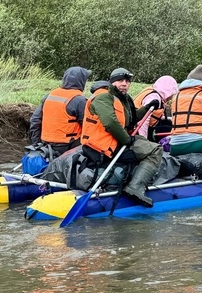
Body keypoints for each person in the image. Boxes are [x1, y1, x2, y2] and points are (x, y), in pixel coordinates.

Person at [78, 70, 165, 208]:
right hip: (103, 147)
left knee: (147, 144)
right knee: (155, 150)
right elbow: (110, 122)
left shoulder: (124, 98)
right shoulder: (103, 97)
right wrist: (127, 140)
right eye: (120, 81)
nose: (124, 84)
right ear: (112, 82)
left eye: (127, 81)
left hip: (117, 142)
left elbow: (132, 119)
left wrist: (148, 107)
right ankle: (135, 187)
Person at [29, 66, 90, 157]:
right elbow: (88, 127)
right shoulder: (79, 100)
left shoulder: (49, 96)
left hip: (46, 143)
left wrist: (37, 144)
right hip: (69, 145)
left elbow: (35, 120)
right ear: (82, 82)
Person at [132, 75, 178, 140]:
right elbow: (144, 121)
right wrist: (144, 140)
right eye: (171, 94)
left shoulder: (155, 93)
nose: (171, 97)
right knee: (169, 130)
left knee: (169, 123)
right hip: (137, 129)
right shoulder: (154, 98)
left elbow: (154, 116)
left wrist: (171, 119)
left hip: (146, 126)